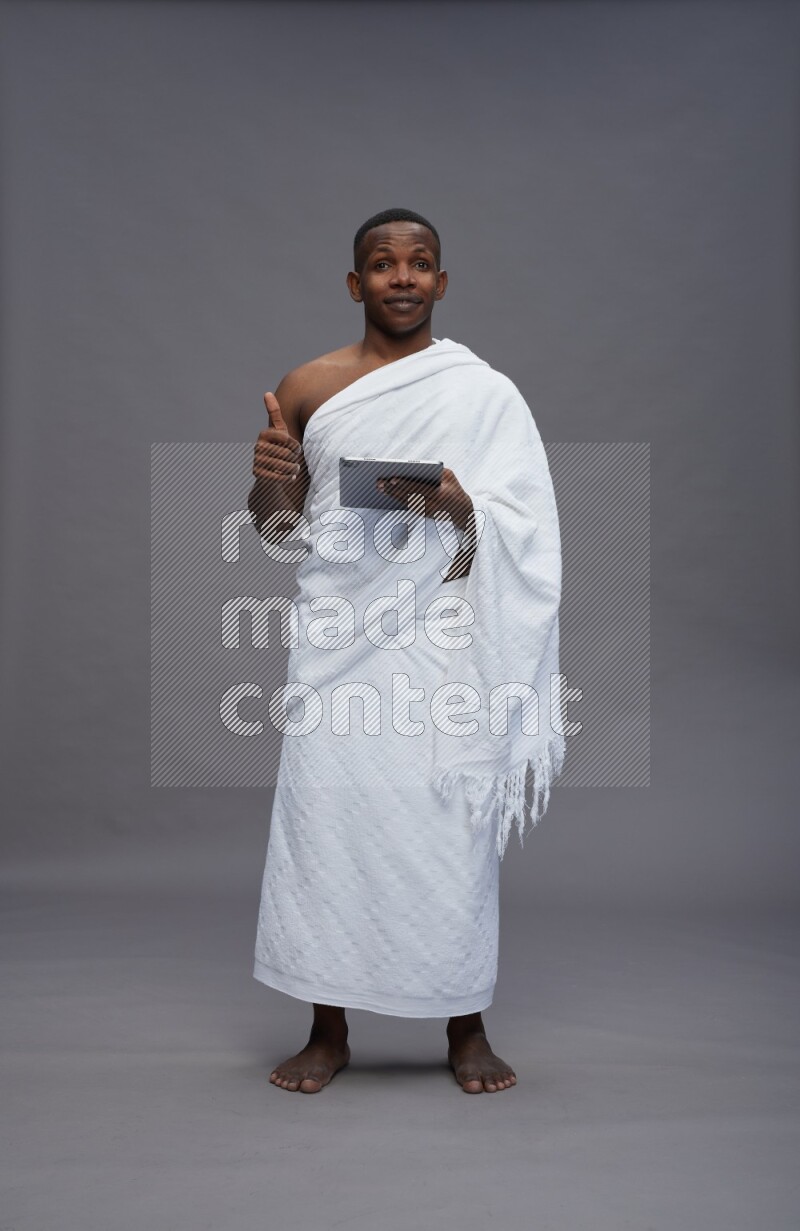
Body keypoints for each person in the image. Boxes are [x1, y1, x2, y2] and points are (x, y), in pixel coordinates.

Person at [249, 207, 562, 1094]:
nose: (402, 276)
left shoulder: (484, 392)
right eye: (383, 263)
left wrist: (464, 508)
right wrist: (271, 476)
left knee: (447, 826)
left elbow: (528, 526)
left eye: (419, 263)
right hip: (338, 643)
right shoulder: (308, 385)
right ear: (356, 283)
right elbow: (277, 529)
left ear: (442, 282)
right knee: (327, 824)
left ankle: (465, 1024)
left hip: (442, 642)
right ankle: (327, 1028)